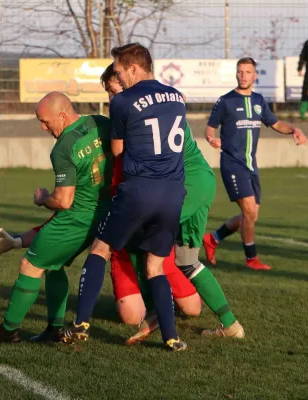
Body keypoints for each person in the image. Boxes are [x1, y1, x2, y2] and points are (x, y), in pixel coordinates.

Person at [100, 64, 244, 340]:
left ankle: (154, 312)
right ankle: (230, 324)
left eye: (113, 87)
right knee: (185, 258)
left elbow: (122, 154)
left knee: (139, 237)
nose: (111, 98)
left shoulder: (133, 110)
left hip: (183, 183)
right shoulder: (157, 104)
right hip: (199, 179)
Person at [62, 43, 188, 352]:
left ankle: (80, 323)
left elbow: (117, 151)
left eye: (118, 70)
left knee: (100, 249)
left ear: (133, 67)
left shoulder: (123, 101)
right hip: (174, 191)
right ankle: (171, 338)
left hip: (139, 188)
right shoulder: (177, 97)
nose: (117, 75)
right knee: (155, 266)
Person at [0, 91, 114, 343]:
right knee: (54, 266)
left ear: (62, 115)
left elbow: (63, 201)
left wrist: (42, 198)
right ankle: (55, 328)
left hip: (76, 218)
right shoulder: (99, 122)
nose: (42, 127)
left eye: (45, 121)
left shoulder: (63, 148)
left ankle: (8, 330)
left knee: (31, 265)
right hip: (107, 210)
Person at [203, 57, 307, 272]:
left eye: (247, 72)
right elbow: (210, 127)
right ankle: (251, 259)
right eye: (240, 72)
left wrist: (294, 130)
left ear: (254, 75)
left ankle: (213, 238)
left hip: (251, 164)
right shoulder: (226, 101)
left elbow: (276, 123)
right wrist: (212, 139)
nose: (243, 76)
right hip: (232, 163)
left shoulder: (259, 100)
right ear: (236, 74)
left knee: (251, 215)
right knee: (249, 211)